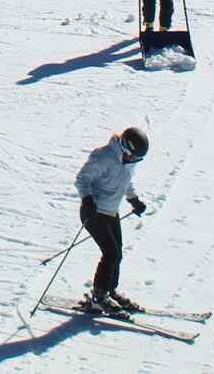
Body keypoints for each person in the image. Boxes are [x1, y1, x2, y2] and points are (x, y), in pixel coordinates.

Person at [73, 127, 148, 315]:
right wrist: (87, 199)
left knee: (117, 254)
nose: (133, 160)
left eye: (137, 159)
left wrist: (134, 199)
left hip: (111, 212)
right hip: (94, 212)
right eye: (133, 156)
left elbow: (125, 181)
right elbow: (82, 179)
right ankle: (98, 298)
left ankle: (109, 291)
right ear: (124, 146)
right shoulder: (104, 156)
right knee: (111, 253)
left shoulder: (127, 160)